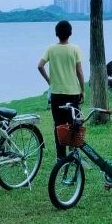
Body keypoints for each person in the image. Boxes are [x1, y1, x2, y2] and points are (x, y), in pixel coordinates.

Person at [37, 20, 85, 159]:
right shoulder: (75, 48)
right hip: (73, 93)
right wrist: (83, 90)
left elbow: (40, 66)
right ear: (70, 33)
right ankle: (74, 154)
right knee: (73, 124)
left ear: (56, 33)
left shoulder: (51, 49)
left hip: (56, 93)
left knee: (59, 125)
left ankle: (60, 156)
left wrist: (49, 82)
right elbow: (80, 72)